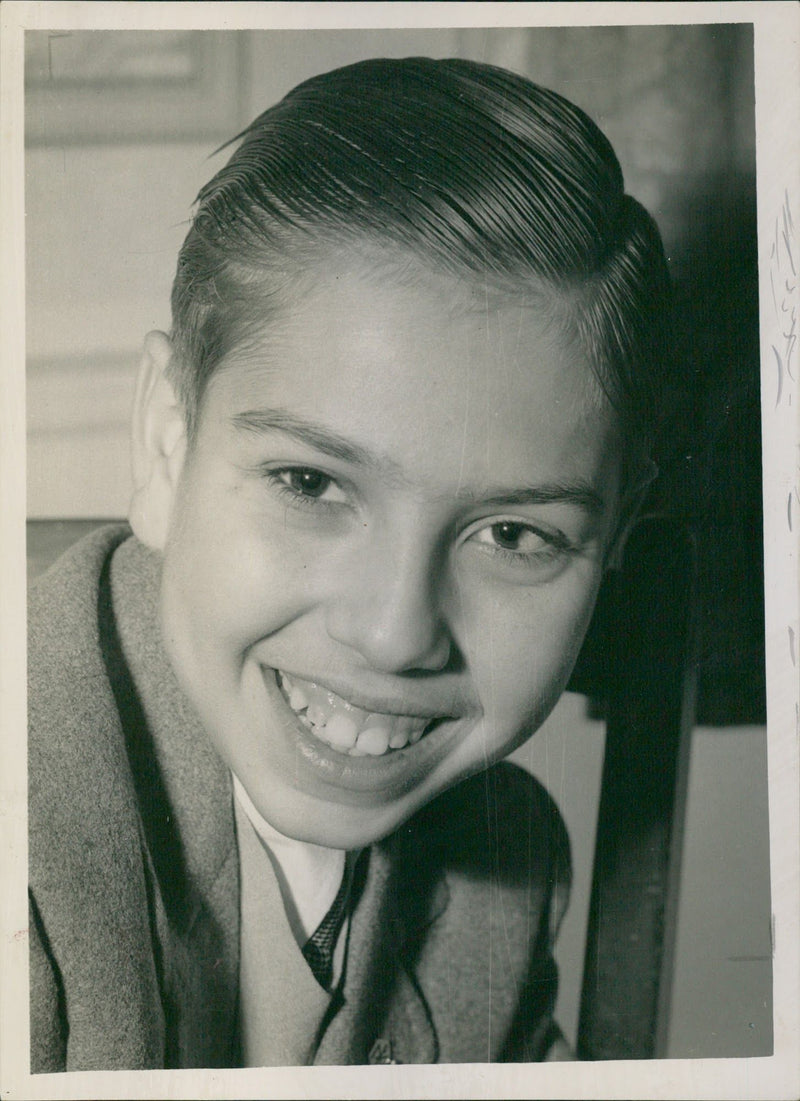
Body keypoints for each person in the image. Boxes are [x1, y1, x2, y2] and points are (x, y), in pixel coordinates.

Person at [28, 56, 671, 1070]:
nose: (393, 631)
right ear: (164, 441)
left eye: (512, 535)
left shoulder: (501, 874)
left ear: (611, 545)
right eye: (311, 485)